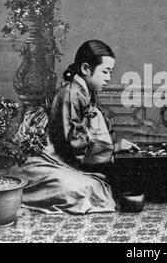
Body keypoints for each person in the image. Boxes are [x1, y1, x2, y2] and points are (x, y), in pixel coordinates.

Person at [15, 40, 138, 214]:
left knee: (96, 187)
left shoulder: (88, 92)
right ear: (86, 69)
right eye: (105, 71)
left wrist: (111, 148)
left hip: (68, 158)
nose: (109, 78)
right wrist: (114, 149)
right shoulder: (69, 93)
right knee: (82, 189)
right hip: (48, 158)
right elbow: (71, 143)